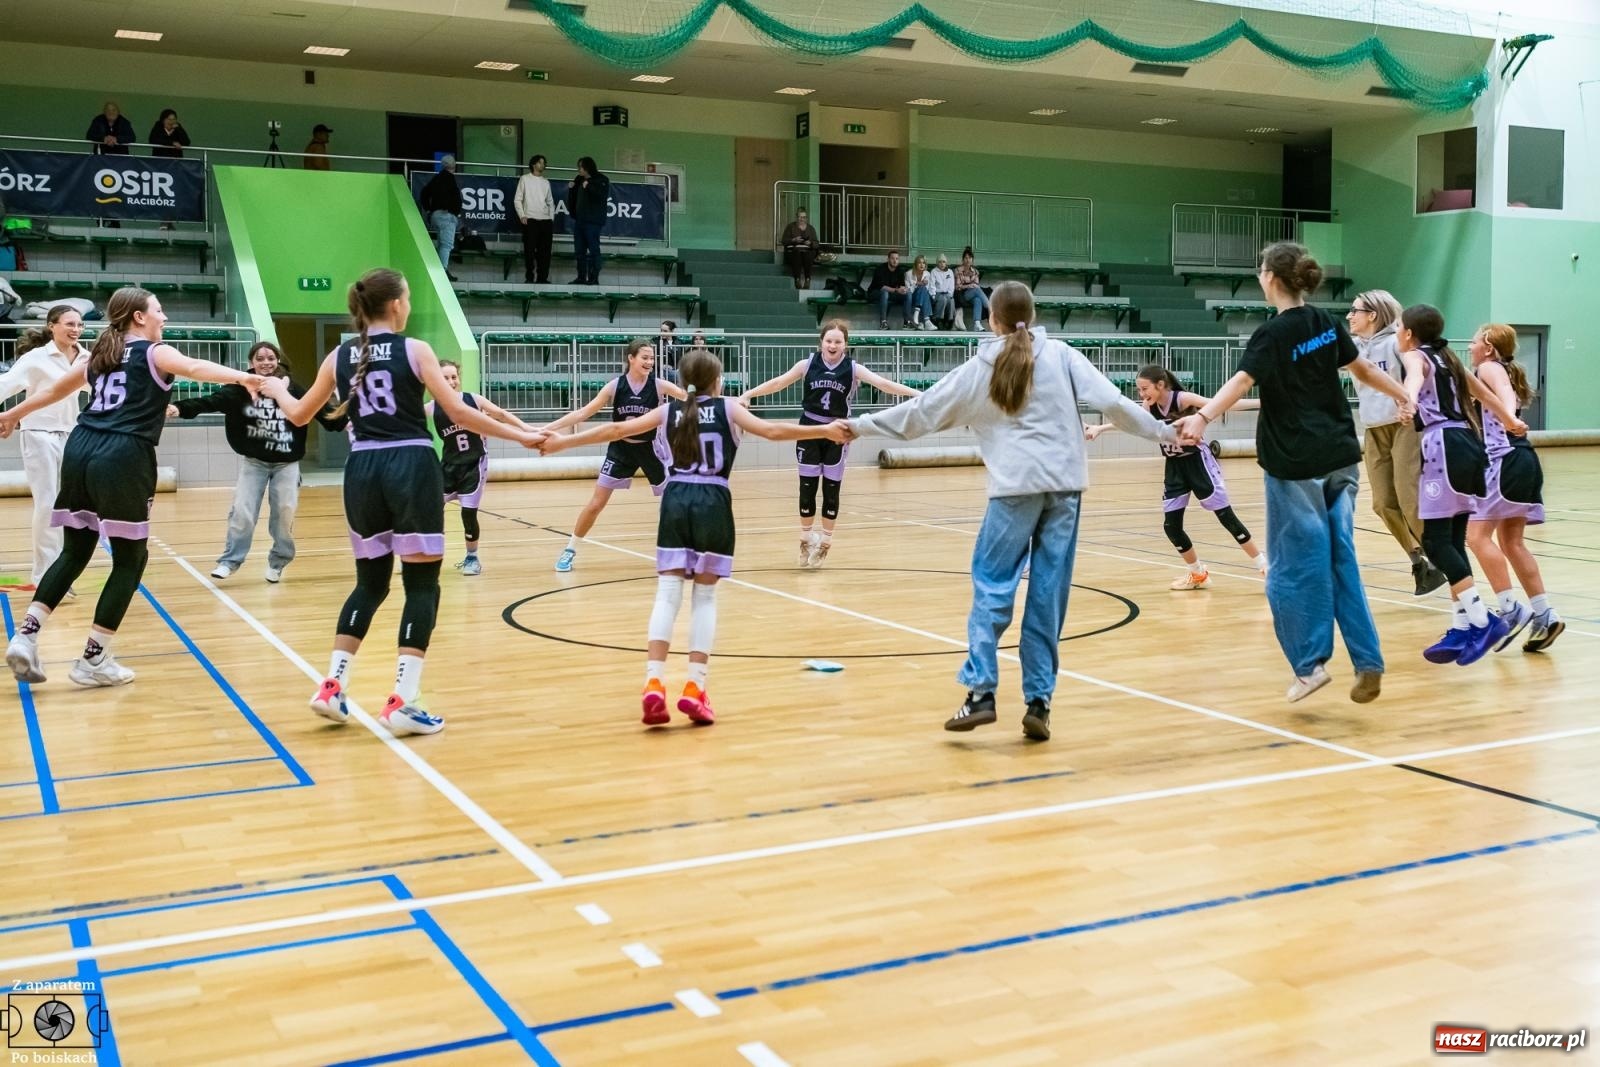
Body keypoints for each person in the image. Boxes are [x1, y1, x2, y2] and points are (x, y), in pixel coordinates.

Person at [843, 281, 1177, 740]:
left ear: (990, 319)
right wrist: (1167, 433)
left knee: (992, 586)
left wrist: (857, 426)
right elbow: (1115, 405)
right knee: (1048, 594)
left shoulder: (980, 367)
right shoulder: (1061, 354)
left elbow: (920, 413)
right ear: (1033, 315)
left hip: (1014, 489)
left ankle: (981, 691)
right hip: (1065, 488)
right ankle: (1039, 701)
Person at [265, 268, 544, 736]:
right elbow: (459, 411)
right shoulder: (415, 349)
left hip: (361, 471)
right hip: (410, 468)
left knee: (370, 584)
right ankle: (401, 700)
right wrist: (524, 434)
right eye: (408, 297)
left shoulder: (339, 355)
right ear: (394, 305)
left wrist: (274, 387)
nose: (409, 304)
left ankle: (332, 685)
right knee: (422, 586)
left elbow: (297, 414)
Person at [539, 348, 849, 726]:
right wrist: (824, 429)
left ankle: (653, 681)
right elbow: (772, 431)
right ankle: (694, 686)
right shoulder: (729, 408)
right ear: (716, 380)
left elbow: (616, 430)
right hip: (713, 499)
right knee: (703, 597)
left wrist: (560, 442)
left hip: (676, 498)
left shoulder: (670, 411)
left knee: (668, 595)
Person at [1173, 242, 1412, 705]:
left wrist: (1202, 419)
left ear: (1270, 278)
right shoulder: (1324, 323)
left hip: (1295, 464)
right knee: (1341, 559)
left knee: (1288, 572)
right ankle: (1367, 660)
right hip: (1341, 457)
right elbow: (1361, 369)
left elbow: (1242, 382)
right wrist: (1403, 394)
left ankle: (1309, 665)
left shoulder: (1272, 334)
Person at [2, 288, 265, 687]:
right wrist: (244, 375)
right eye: (159, 311)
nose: (165, 318)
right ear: (139, 318)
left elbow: (54, 391)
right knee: (130, 560)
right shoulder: (154, 352)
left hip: (80, 446)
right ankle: (93, 659)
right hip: (123, 454)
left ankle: (26, 636)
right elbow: (193, 367)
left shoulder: (101, 356)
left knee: (74, 551)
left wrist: (12, 415)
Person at [1394, 305, 1526, 668]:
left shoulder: (1415, 356)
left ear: (1408, 333)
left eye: (1398, 328)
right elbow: (1485, 395)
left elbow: (1414, 381)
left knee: (1435, 541)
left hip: (1443, 448)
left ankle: (1483, 621)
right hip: (1469, 445)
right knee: (1452, 539)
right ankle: (1461, 626)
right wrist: (1511, 420)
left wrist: (1407, 403)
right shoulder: (1450, 358)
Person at [737, 319, 920, 568]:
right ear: (821, 342)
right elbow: (778, 382)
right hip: (809, 428)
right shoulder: (807, 364)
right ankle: (805, 539)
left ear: (845, 344)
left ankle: (825, 542)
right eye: (829, 340)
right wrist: (749, 393)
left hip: (837, 432)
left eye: (838, 341)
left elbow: (884, 384)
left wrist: (919, 394)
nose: (833, 345)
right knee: (807, 487)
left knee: (831, 490)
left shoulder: (853, 368)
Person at [1084, 364, 1266, 588]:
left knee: (1225, 517)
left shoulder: (1182, 399)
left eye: (1144, 389)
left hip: (1198, 463)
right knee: (1171, 526)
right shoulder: (1148, 407)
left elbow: (1222, 404)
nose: (1141, 394)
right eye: (1139, 390)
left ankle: (1263, 565)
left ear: (1160, 385)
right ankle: (1198, 573)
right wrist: (1099, 429)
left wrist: (1262, 403)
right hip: (1174, 468)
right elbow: (1131, 423)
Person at [168, 341, 331, 584]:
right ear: (251, 364)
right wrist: (178, 408)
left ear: (278, 361)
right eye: (260, 358)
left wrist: (346, 421)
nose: (266, 362)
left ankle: (278, 562)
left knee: (284, 514)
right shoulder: (239, 390)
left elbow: (320, 408)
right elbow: (210, 401)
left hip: (287, 464)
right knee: (242, 512)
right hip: (254, 463)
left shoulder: (291, 389)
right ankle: (229, 561)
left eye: (271, 358)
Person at [541, 340, 688, 572]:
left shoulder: (659, 385)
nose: (650, 362)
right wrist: (547, 428)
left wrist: (727, 405)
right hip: (620, 449)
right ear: (631, 358)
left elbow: (694, 398)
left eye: (652, 359)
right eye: (645, 358)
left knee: (672, 502)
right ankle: (570, 549)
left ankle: (677, 552)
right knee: (596, 503)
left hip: (651, 449)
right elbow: (582, 412)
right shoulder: (614, 386)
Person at [1464, 324, 1562, 652]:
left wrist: (1508, 417)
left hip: (1502, 459)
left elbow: (1504, 394)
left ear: (1489, 347)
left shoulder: (1488, 367)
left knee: (1476, 537)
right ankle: (1545, 615)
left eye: (1476, 340)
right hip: (1524, 459)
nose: (1471, 345)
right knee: (1512, 542)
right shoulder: (1503, 368)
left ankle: (1510, 610)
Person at [1346, 289, 1447, 596]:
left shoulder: (1396, 342)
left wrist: (1408, 400)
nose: (1349, 316)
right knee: (1382, 503)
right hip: (1374, 429)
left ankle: (1445, 560)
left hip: (1404, 426)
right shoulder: (1352, 348)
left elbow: (1415, 373)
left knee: (1408, 498)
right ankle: (1419, 561)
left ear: (1373, 315)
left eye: (1355, 310)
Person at [0, 308, 90, 589]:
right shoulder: (35, 358)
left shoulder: (88, 359)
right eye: (68, 324)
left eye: (79, 324)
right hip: (38, 434)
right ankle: (45, 576)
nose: (75, 329)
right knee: (48, 502)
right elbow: (4, 386)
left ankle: (62, 571)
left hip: (73, 434)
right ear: (52, 327)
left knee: (70, 505)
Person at [428, 359, 533, 576]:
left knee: (468, 514)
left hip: (473, 464)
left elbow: (501, 415)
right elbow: (405, 418)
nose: (451, 381)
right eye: (445, 378)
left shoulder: (473, 400)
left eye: (454, 377)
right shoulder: (432, 407)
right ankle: (422, 554)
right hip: (447, 465)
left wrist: (526, 428)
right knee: (428, 511)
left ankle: (472, 557)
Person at [566, 156, 610, 285]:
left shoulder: (602, 179)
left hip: (593, 221)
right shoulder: (579, 179)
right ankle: (580, 277)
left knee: (593, 250)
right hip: (580, 220)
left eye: (580, 167)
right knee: (579, 251)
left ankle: (593, 277)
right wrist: (572, 188)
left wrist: (589, 186)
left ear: (587, 168)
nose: (578, 170)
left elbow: (601, 196)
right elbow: (574, 197)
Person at [420, 156, 463, 281]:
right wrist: (455, 212)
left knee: (441, 243)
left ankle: (440, 269)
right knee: (446, 245)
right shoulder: (450, 179)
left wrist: (428, 209)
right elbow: (456, 199)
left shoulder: (436, 178)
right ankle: (443, 271)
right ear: (453, 166)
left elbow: (424, 193)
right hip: (447, 216)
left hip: (435, 216)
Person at [514, 154, 555, 284]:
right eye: (540, 163)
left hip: (545, 221)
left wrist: (551, 218)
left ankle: (543, 277)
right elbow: (517, 199)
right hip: (530, 219)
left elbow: (550, 202)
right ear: (534, 164)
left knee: (545, 252)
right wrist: (522, 215)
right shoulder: (524, 179)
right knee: (529, 251)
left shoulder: (545, 182)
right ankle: (530, 277)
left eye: (544, 163)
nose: (543, 165)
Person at [868, 251, 913, 330]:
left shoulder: (900, 270)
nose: (895, 261)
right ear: (888, 259)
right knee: (885, 293)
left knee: (908, 294)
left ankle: (907, 322)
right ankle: (883, 322)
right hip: (875, 293)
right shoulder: (880, 269)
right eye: (892, 258)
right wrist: (896, 290)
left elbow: (901, 286)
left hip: (891, 293)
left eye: (897, 259)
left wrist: (904, 290)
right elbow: (882, 287)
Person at [780, 208, 819, 289]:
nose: (802, 219)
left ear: (806, 218)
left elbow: (816, 243)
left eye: (804, 217)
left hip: (807, 251)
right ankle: (797, 279)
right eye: (800, 217)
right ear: (796, 217)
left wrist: (810, 243)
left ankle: (807, 279)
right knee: (797, 253)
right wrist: (793, 240)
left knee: (808, 254)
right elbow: (784, 241)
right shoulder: (790, 227)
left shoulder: (811, 228)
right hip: (794, 251)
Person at [954, 246, 988, 331]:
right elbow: (957, 287)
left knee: (978, 299)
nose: (968, 260)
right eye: (966, 258)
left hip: (972, 294)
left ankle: (977, 324)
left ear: (972, 260)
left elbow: (975, 284)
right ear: (963, 260)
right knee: (976, 289)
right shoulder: (958, 270)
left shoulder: (976, 272)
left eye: (970, 258)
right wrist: (968, 286)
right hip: (961, 295)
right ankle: (990, 307)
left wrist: (972, 286)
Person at [906, 255, 937, 331]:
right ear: (916, 264)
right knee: (922, 288)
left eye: (923, 263)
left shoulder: (927, 274)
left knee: (924, 289)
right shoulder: (908, 274)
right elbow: (908, 289)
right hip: (912, 296)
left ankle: (918, 314)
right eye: (919, 263)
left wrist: (922, 285)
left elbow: (928, 289)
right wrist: (917, 284)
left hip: (923, 297)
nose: (921, 265)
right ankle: (927, 321)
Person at [928, 254, 956, 327]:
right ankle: (937, 319)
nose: (942, 264)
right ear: (937, 263)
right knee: (942, 299)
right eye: (940, 262)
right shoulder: (934, 271)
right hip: (937, 293)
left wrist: (950, 295)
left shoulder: (950, 272)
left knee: (951, 300)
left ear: (946, 263)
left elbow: (951, 285)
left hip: (947, 293)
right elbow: (932, 285)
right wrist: (933, 295)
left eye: (943, 262)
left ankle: (949, 319)